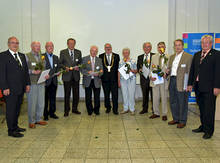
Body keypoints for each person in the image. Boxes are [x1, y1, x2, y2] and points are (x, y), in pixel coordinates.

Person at [187, 35, 220, 139]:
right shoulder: (197, 55)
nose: (204, 45)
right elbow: (192, 70)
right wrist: (190, 84)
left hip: (210, 88)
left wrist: (217, 86)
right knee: (201, 108)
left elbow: (218, 72)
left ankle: (209, 131)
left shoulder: (216, 54)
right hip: (198, 87)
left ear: (211, 43)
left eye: (207, 43)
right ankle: (203, 126)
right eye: (203, 43)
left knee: (209, 110)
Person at [0, 36, 30, 137]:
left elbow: (25, 72)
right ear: (8, 44)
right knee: (11, 110)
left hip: (20, 88)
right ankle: (11, 130)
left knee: (17, 109)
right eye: (13, 43)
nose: (15, 45)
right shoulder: (3, 56)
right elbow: (2, 73)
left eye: (17, 43)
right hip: (10, 89)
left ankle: (16, 126)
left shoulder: (21, 55)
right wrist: (4, 87)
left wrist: (27, 84)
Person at [166, 39, 192, 128]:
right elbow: (170, 68)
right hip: (172, 80)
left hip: (182, 81)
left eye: (179, 45)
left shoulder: (188, 57)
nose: (177, 47)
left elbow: (190, 71)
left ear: (183, 46)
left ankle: (182, 120)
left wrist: (189, 84)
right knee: (173, 101)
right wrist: (167, 71)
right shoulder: (172, 57)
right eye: (176, 45)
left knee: (182, 101)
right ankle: (176, 118)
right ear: (174, 47)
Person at [26, 41, 49, 128]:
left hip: (41, 82)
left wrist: (46, 74)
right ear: (32, 46)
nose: (38, 48)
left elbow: (44, 68)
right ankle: (31, 121)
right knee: (32, 102)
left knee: (41, 102)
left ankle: (39, 119)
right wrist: (32, 71)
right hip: (32, 83)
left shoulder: (42, 57)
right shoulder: (27, 56)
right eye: (36, 46)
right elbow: (24, 70)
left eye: (39, 46)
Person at [60, 38, 82, 117]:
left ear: (74, 44)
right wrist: (64, 67)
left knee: (76, 94)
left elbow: (80, 63)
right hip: (67, 76)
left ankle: (75, 109)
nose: (71, 45)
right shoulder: (63, 52)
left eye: (73, 43)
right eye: (70, 43)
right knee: (67, 94)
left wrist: (78, 67)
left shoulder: (78, 52)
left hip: (76, 76)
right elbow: (60, 63)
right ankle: (66, 110)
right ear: (67, 44)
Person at [149, 42, 169, 121]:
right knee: (155, 97)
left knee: (164, 97)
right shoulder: (153, 57)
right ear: (157, 48)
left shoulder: (169, 56)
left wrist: (166, 75)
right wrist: (151, 76)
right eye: (159, 47)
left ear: (165, 48)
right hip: (155, 80)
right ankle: (156, 113)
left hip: (164, 80)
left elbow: (170, 68)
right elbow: (151, 68)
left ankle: (164, 113)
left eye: (162, 47)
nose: (160, 48)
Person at [81, 46, 103, 115]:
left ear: (97, 52)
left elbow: (102, 70)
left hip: (97, 80)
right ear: (90, 51)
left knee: (97, 97)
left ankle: (96, 110)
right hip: (88, 80)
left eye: (96, 51)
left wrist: (99, 73)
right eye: (93, 51)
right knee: (88, 97)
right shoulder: (84, 59)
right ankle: (89, 110)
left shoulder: (99, 60)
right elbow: (82, 69)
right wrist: (88, 72)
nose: (94, 52)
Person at [99, 43, 120, 115]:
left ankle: (115, 109)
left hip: (114, 80)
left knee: (115, 95)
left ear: (111, 48)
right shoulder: (101, 56)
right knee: (106, 95)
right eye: (106, 47)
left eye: (109, 47)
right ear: (104, 48)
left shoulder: (116, 56)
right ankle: (108, 108)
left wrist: (118, 79)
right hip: (105, 80)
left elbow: (118, 68)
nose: (108, 48)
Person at [43, 42, 60, 121]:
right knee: (45, 99)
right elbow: (39, 68)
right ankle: (45, 114)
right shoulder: (42, 57)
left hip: (54, 81)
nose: (50, 48)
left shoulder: (56, 57)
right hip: (45, 82)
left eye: (52, 46)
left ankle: (52, 113)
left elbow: (58, 67)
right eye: (49, 46)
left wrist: (59, 71)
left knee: (53, 98)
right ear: (46, 47)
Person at [118, 48, 137, 115]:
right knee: (124, 94)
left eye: (127, 53)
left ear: (129, 53)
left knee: (131, 94)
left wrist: (131, 70)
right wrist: (119, 81)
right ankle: (125, 108)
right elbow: (119, 72)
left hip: (131, 80)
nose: (125, 54)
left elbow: (136, 71)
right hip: (123, 80)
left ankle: (132, 109)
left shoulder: (133, 61)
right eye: (124, 53)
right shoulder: (120, 62)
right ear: (122, 54)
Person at [137, 42, 154, 114]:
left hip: (152, 79)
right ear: (143, 48)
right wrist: (139, 70)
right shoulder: (140, 57)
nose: (147, 48)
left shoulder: (154, 56)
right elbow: (138, 67)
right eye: (145, 47)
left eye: (148, 47)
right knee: (145, 95)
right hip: (143, 79)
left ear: (151, 48)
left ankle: (154, 109)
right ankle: (144, 109)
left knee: (153, 95)